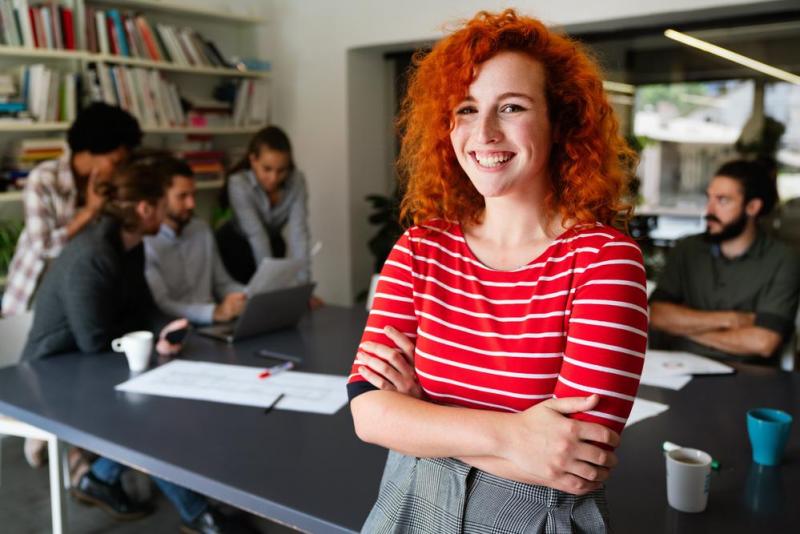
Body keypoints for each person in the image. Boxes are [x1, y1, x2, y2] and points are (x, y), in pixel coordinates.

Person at [347, 9, 647, 533]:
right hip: (407, 509)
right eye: (466, 109)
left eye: (511, 107)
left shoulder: (605, 261)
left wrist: (423, 415)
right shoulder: (420, 249)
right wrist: (514, 437)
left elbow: (568, 462)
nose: (483, 132)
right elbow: (369, 414)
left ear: (561, 120)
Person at [20, 154, 228, 534]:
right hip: (51, 371)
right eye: (164, 205)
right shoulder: (92, 256)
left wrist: (165, 333)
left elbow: (142, 308)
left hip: (91, 359)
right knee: (151, 414)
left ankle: (99, 477)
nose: (169, 213)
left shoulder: (130, 245)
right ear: (146, 209)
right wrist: (143, 341)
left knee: (168, 396)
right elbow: (92, 339)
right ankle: (198, 513)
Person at [649, 158, 800, 363]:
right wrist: (733, 320)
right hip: (673, 368)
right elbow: (657, 316)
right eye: (709, 198)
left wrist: (682, 328)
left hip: (748, 379)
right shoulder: (687, 249)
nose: (709, 211)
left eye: (722, 200)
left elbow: (764, 342)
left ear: (752, 207)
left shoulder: (783, 259)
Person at [2, 102, 142, 316]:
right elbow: (43, 247)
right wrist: (89, 213)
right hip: (31, 295)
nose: (119, 170)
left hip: (76, 298)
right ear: (92, 150)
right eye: (116, 161)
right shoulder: (45, 179)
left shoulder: (108, 187)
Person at [144, 155, 246, 325]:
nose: (191, 204)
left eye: (193, 195)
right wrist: (214, 312)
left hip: (215, 326)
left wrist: (250, 295)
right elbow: (163, 304)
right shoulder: (147, 243)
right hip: (176, 331)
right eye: (182, 196)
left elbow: (222, 283)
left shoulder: (201, 230)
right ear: (160, 198)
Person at [219, 126, 311, 285]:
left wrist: (304, 284)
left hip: (273, 244)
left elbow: (299, 234)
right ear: (253, 160)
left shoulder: (297, 181)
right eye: (267, 169)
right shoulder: (239, 183)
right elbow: (256, 235)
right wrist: (270, 283)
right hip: (236, 248)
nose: (273, 178)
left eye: (281, 170)